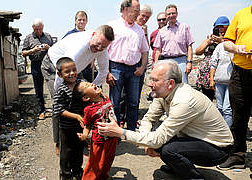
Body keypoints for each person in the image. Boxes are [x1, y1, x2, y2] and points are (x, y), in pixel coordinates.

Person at [98, 60, 234, 180]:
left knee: (168, 149)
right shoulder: (162, 93)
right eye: (150, 79)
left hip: (218, 148)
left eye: (155, 80)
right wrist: (147, 142)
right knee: (160, 143)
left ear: (170, 83)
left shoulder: (184, 101)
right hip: (195, 138)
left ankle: (194, 177)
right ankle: (177, 166)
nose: (150, 84)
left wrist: (121, 132)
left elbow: (158, 139)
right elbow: (148, 118)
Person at [42, 25, 114, 156]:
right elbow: (61, 77)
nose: (99, 49)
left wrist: (91, 89)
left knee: (81, 102)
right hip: (54, 67)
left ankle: (78, 136)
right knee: (60, 105)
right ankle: (58, 142)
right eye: (98, 44)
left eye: (103, 47)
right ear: (93, 35)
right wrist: (63, 96)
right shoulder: (78, 47)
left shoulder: (102, 48)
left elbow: (103, 72)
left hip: (74, 70)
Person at [217, 5, 252, 170]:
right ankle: (237, 155)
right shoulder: (241, 14)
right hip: (240, 73)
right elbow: (227, 43)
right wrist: (237, 48)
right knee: (238, 117)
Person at [106, 0, 149, 131]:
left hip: (134, 70)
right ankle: (115, 132)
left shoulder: (139, 30)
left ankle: (131, 131)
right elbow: (103, 51)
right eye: (136, 11)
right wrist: (107, 72)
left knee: (134, 101)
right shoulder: (112, 26)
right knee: (115, 102)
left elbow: (145, 51)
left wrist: (142, 67)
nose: (138, 14)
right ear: (125, 9)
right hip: (116, 68)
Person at [74, 81, 118, 180]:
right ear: (86, 98)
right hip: (100, 141)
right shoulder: (89, 109)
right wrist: (85, 135)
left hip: (113, 137)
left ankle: (103, 177)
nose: (92, 84)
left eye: (90, 83)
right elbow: (87, 125)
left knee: (108, 160)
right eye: (87, 86)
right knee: (95, 164)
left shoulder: (104, 97)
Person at [53, 57, 85, 180]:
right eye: (67, 71)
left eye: (74, 70)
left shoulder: (81, 85)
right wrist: (77, 116)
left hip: (79, 127)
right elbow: (58, 110)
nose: (72, 73)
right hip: (66, 128)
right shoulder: (61, 90)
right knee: (66, 153)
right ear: (60, 74)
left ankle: (77, 172)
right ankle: (65, 174)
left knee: (78, 151)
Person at [153, 4, 194, 84]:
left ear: (177, 14)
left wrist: (189, 62)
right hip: (166, 61)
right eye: (169, 14)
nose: (171, 15)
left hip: (181, 61)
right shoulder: (161, 31)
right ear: (166, 16)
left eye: (173, 13)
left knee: (183, 86)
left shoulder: (184, 27)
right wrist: (156, 64)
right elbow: (158, 50)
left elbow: (189, 46)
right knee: (167, 87)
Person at [22, 18, 54, 120]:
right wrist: (33, 50)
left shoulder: (48, 36)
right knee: (38, 89)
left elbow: (55, 50)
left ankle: (56, 108)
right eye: (36, 29)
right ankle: (41, 110)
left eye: (40, 29)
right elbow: (23, 53)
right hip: (36, 65)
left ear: (43, 27)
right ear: (33, 28)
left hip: (48, 65)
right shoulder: (28, 38)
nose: (39, 31)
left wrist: (48, 47)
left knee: (52, 86)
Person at [195, 16, 230, 101]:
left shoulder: (230, 38)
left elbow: (231, 49)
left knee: (222, 100)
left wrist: (221, 41)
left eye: (222, 27)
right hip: (206, 75)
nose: (220, 30)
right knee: (207, 99)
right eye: (218, 27)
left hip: (221, 73)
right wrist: (208, 42)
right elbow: (198, 52)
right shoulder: (210, 39)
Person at [63, 11, 97, 83]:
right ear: (75, 21)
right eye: (79, 20)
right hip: (75, 69)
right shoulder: (69, 35)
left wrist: (92, 60)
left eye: (84, 20)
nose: (82, 22)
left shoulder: (89, 35)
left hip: (87, 69)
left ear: (86, 21)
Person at [210, 41, 233, 127]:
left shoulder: (236, 46)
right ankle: (220, 130)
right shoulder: (219, 47)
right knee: (219, 108)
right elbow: (213, 63)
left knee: (227, 109)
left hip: (231, 83)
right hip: (219, 82)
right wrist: (211, 79)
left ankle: (227, 133)